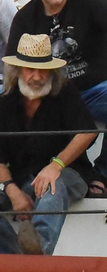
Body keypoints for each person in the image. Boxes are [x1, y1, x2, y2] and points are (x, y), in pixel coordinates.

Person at [4, 0, 107, 195]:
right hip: (52, 99)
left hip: (98, 91)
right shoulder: (25, 17)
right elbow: (13, 69)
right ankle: (14, 178)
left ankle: (102, 174)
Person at [0, 33, 97, 256]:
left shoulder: (65, 92)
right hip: (21, 178)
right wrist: (12, 190)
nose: (37, 77)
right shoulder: (5, 102)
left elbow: (87, 131)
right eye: (30, 70)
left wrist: (56, 165)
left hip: (69, 173)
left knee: (53, 187)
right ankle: (16, 257)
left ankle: (39, 254)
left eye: (43, 70)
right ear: (18, 71)